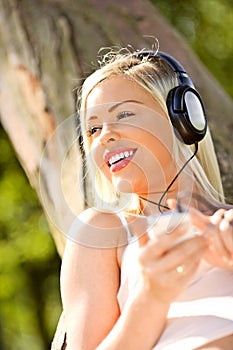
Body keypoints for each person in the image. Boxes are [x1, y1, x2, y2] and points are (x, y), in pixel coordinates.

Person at [53, 47, 233, 350]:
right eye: (93, 128)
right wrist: (153, 295)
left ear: (184, 119)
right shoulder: (104, 231)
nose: (104, 135)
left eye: (124, 114)